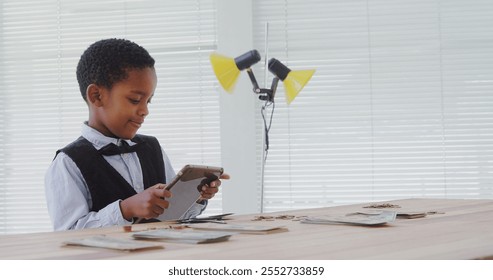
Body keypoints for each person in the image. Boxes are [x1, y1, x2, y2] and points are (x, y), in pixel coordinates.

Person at [45, 38, 229, 231]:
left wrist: (195, 197)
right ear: (96, 96)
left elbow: (173, 216)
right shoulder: (68, 163)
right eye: (135, 100)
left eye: (148, 101)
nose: (144, 111)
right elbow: (67, 234)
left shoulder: (152, 148)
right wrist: (125, 209)